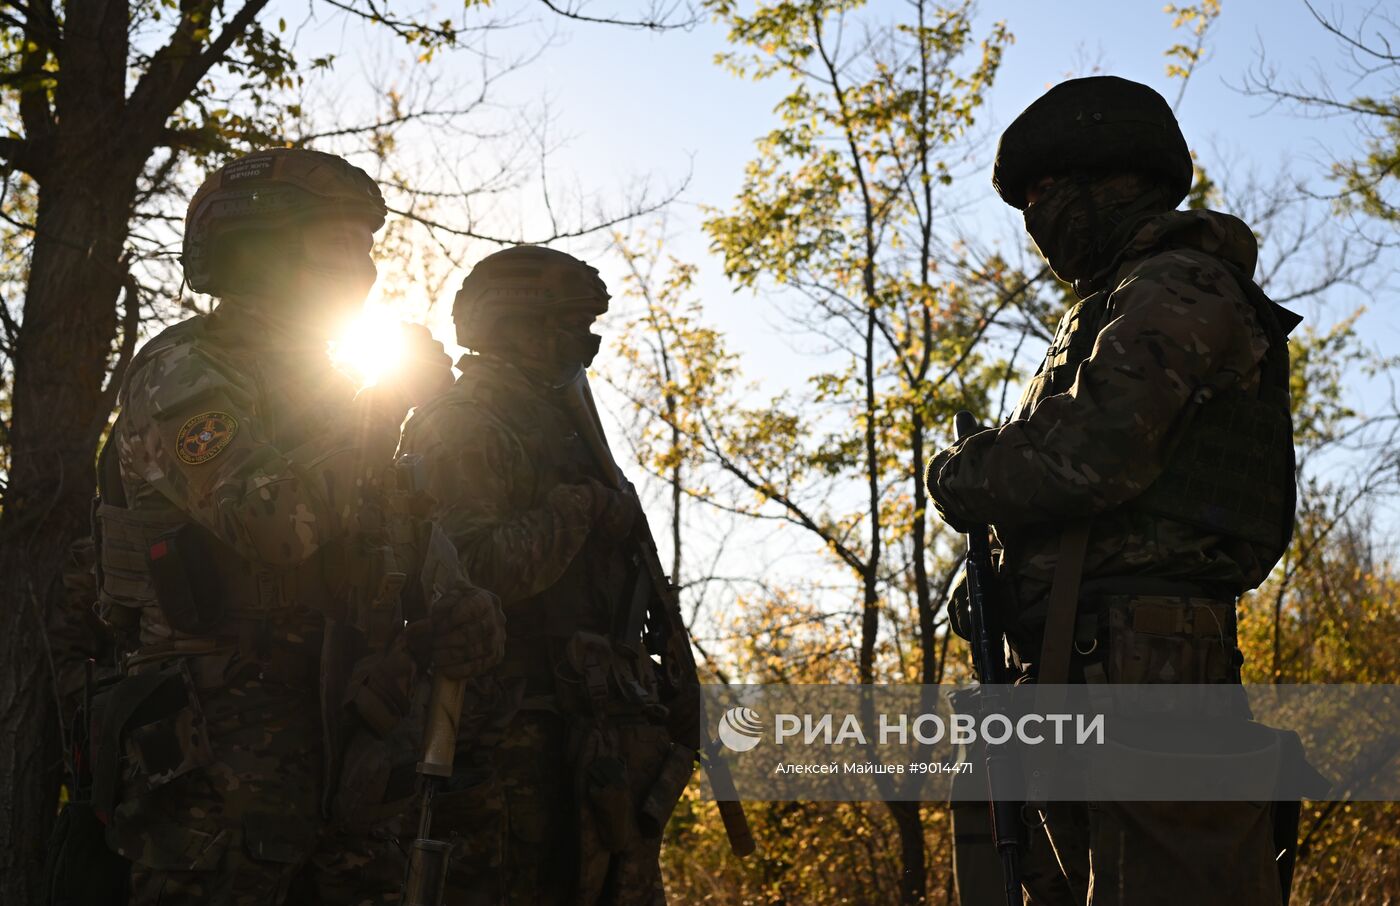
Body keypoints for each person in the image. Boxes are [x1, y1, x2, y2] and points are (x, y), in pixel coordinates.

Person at [89, 148, 506, 904]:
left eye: (367, 246)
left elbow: (413, 548)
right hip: (220, 773)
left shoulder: (340, 395)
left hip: (353, 770)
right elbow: (275, 525)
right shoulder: (182, 372)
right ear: (262, 247)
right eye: (338, 243)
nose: (363, 268)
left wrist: (463, 607)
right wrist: (379, 412)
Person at [925, 76, 1303, 905]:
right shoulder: (1119, 302)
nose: (1037, 225)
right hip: (1084, 672)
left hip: (1146, 677)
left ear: (1114, 179)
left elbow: (1095, 452)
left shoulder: (1180, 286)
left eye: (1046, 195)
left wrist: (962, 477)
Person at [397, 245, 687, 905]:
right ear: (515, 325)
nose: (585, 345)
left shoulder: (565, 432)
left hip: (599, 750)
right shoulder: (467, 422)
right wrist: (578, 508)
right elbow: (476, 570)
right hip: (515, 753)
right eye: (569, 326)